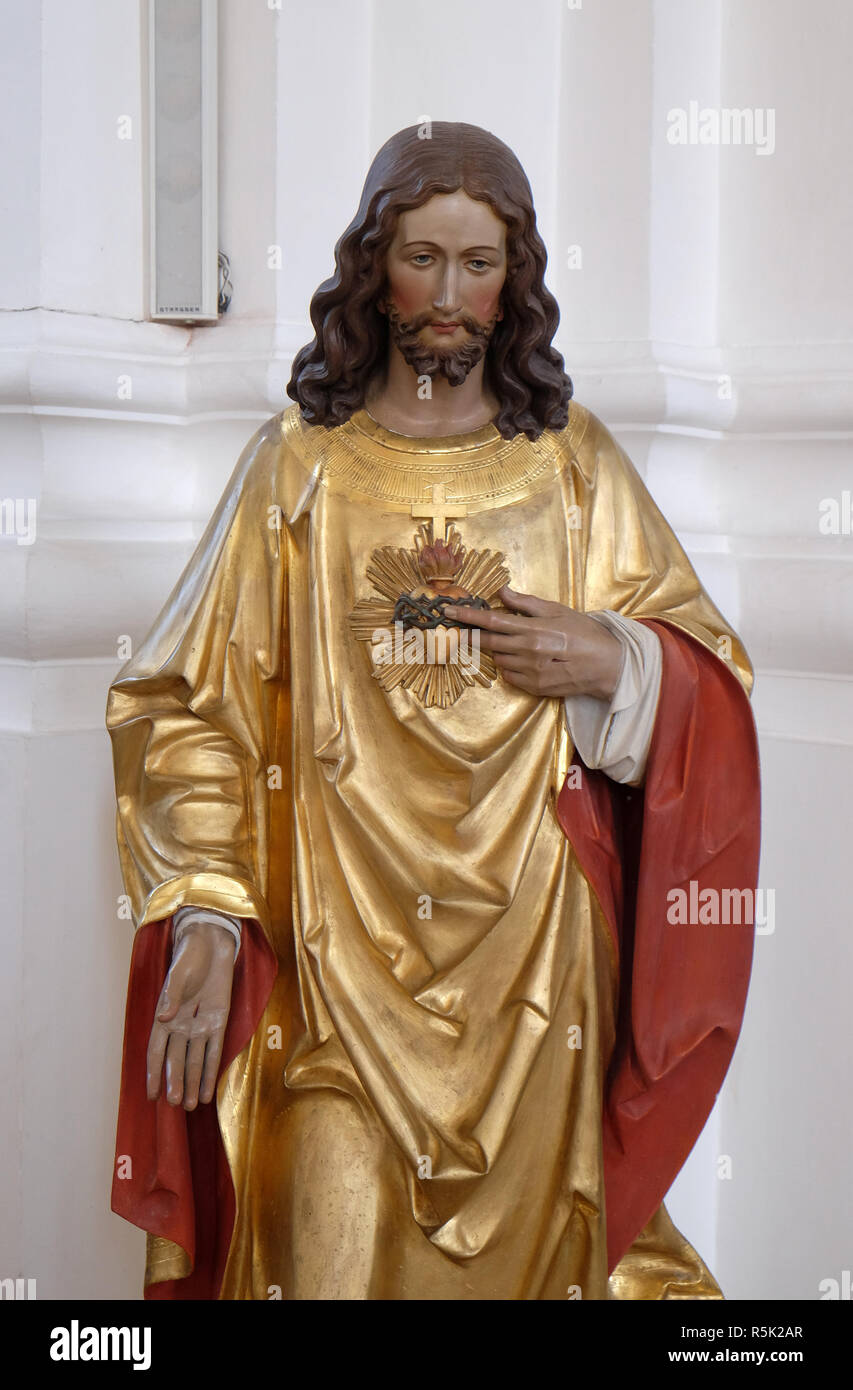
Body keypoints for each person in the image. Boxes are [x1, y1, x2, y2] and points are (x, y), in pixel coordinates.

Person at [107, 122, 760, 1300]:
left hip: (531, 983)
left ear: (517, 280)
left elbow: (710, 676)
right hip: (333, 972)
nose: (449, 297)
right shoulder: (296, 468)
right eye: (421, 258)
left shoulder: (573, 469)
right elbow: (189, 708)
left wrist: (616, 658)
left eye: (480, 262)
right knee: (323, 1241)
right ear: (373, 266)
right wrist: (204, 911)